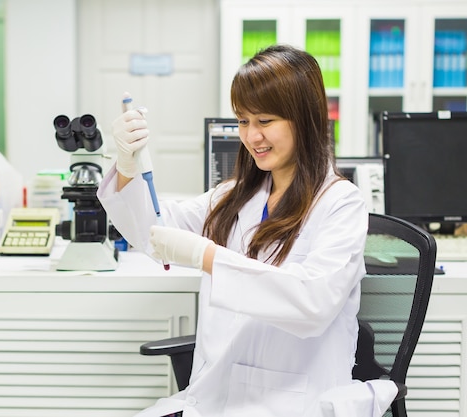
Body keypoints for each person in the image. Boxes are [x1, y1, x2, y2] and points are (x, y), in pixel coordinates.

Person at [97, 44, 397, 417]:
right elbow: (154, 233)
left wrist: (207, 257)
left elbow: (312, 304)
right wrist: (127, 163)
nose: (252, 136)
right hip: (215, 394)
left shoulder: (340, 203)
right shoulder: (235, 197)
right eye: (243, 121)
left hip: (294, 401)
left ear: (305, 119)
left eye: (265, 121)